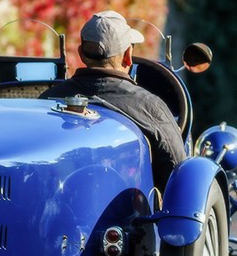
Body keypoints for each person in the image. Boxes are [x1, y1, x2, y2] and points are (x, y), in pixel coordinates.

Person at [40, 10, 186, 190]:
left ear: (81, 54)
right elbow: (179, 173)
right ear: (128, 56)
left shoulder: (46, 100)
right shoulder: (150, 107)